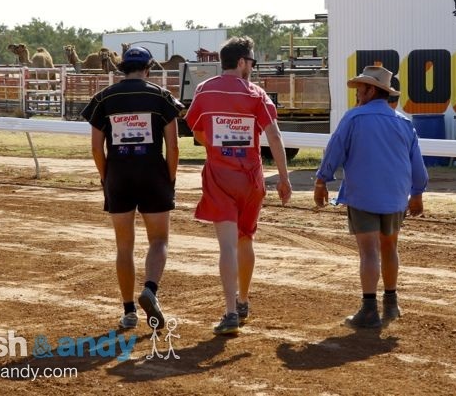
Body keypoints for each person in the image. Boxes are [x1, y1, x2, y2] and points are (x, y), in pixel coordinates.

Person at [184, 35, 292, 335]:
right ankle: (243, 300)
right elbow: (274, 136)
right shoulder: (256, 94)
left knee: (227, 245)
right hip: (251, 177)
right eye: (251, 62)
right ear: (242, 62)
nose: (252, 68)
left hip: (220, 175)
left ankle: (231, 312)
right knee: (246, 240)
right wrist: (284, 178)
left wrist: (216, 148)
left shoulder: (206, 89)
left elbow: (197, 131)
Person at [314, 65, 428, 328]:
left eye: (360, 88)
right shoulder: (404, 123)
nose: (357, 93)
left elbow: (334, 151)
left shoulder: (353, 118)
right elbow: (417, 164)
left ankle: (368, 309)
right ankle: (391, 303)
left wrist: (321, 180)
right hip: (396, 196)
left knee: (368, 252)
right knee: (389, 247)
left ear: (371, 90)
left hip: (363, 194)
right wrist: (417, 193)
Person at [81, 46, 183, 331]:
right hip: (154, 174)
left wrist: (106, 177)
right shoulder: (161, 96)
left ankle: (128, 311)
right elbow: (174, 147)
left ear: (122, 68)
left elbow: (96, 148)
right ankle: (150, 289)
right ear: (148, 68)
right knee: (159, 240)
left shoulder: (104, 98)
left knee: (124, 245)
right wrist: (170, 178)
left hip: (118, 175)